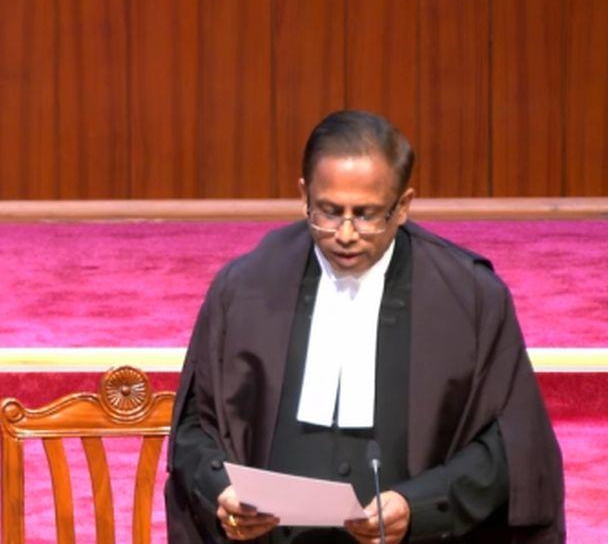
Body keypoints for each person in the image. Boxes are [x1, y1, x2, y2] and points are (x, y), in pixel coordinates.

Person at [165, 111, 564, 543]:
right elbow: (193, 426)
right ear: (304, 195)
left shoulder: (470, 298)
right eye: (329, 212)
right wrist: (222, 490)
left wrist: (420, 507)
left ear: (403, 206)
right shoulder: (244, 287)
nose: (346, 233)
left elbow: (512, 446)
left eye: (367, 214)